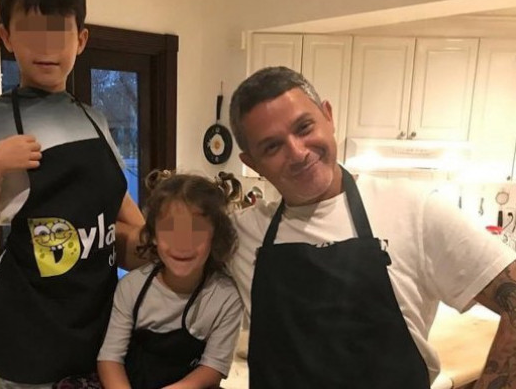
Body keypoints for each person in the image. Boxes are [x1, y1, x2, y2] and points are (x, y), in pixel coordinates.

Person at [227, 66, 516, 388]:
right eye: (272, 146)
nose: (297, 152)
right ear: (252, 163)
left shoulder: (414, 209)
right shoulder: (240, 235)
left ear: (328, 116)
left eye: (304, 127)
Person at [0, 0, 144, 388]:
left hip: (95, 318)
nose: (47, 46)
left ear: (81, 39)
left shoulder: (94, 118)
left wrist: (156, 242)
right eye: (32, 31)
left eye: (60, 31)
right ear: (6, 37)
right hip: (31, 325)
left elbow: (118, 203)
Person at [97, 170, 244, 389]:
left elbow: (212, 369)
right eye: (170, 231)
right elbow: (110, 359)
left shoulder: (226, 296)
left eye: (196, 232)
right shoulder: (131, 287)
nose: (182, 243)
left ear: (215, 236)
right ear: (154, 235)